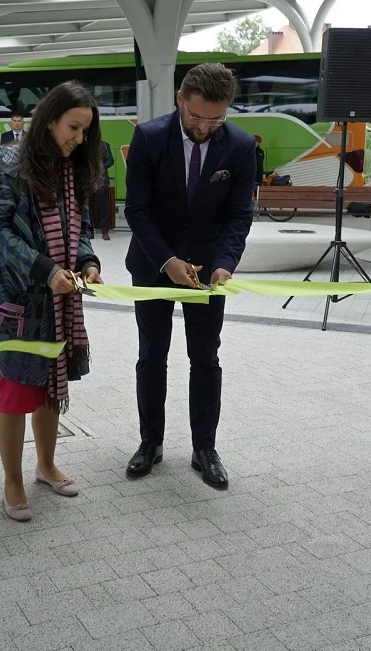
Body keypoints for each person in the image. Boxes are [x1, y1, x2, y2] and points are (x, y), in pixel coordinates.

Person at [0, 81, 104, 521]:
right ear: (50, 120)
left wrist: (87, 261)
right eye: (73, 128)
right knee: (18, 389)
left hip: (59, 299)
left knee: (50, 385)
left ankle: (45, 464)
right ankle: (12, 480)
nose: (78, 139)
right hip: (16, 300)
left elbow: (82, 227)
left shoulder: (71, 167)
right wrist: (46, 270)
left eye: (84, 131)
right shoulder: (6, 164)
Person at [123, 63, 256, 490]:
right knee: (152, 356)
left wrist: (225, 263)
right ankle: (151, 443)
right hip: (152, 265)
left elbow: (239, 214)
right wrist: (167, 261)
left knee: (205, 358)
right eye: (197, 117)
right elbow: (137, 211)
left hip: (207, 275)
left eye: (216, 119)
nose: (204, 127)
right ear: (181, 99)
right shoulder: (148, 137)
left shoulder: (238, 146)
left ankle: (205, 449)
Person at [91, 140, 115, 240]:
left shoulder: (105, 145)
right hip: (88, 180)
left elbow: (111, 160)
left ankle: (105, 231)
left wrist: (101, 167)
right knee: (88, 207)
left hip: (102, 180)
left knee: (103, 206)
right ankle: (89, 230)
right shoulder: (84, 146)